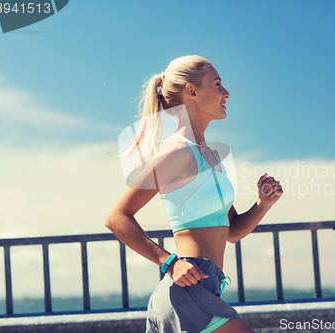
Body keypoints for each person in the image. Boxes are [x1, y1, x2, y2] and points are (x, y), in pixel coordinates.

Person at [105, 55, 283, 333]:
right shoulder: (177, 152)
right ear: (192, 90)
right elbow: (117, 217)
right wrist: (168, 263)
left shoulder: (212, 156)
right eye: (218, 84)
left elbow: (232, 232)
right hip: (187, 291)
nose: (226, 93)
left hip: (207, 288)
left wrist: (262, 204)